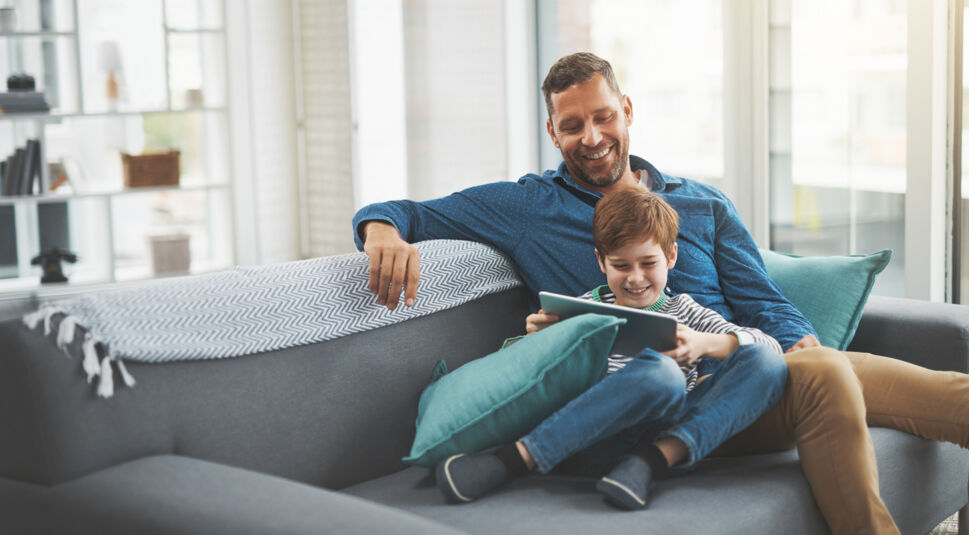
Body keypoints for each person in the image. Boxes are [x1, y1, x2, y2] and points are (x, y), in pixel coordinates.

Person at [352, 52, 969, 534]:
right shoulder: (526, 208)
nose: (590, 137)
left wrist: (799, 343)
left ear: (626, 108)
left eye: (602, 117)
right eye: (572, 126)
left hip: (741, 365)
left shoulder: (699, 203)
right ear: (552, 132)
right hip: (656, 393)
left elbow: (761, 299)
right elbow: (402, 210)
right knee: (828, 377)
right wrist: (382, 233)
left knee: (933, 389)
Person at [435, 186, 787, 510]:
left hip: (668, 438)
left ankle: (651, 462)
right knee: (662, 375)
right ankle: (515, 459)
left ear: (671, 256)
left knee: (768, 363)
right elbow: (520, 373)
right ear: (602, 262)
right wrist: (535, 339)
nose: (635, 278)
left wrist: (703, 344)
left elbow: (769, 345)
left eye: (648, 263)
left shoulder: (686, 312)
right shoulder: (581, 309)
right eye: (621, 266)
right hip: (593, 437)